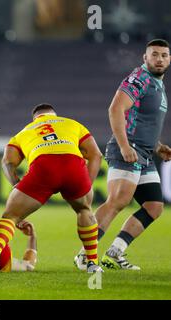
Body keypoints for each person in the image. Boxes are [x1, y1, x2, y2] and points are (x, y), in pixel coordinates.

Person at [74, 39, 171, 271]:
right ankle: (85, 255)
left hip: (145, 153)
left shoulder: (158, 84)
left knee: (154, 206)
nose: (159, 59)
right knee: (117, 201)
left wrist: (157, 147)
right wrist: (125, 146)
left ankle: (115, 252)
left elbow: (142, 120)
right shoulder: (140, 78)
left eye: (164, 55)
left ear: (169, 59)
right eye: (154, 54)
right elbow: (116, 109)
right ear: (144, 58)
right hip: (128, 149)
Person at [0, 103, 103, 273]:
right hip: (73, 166)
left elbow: (8, 163)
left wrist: (17, 185)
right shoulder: (72, 123)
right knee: (84, 210)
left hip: (43, 167)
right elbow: (96, 155)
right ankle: (92, 263)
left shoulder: (23, 132)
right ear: (54, 115)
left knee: (11, 216)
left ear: (35, 118)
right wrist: (86, 185)